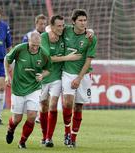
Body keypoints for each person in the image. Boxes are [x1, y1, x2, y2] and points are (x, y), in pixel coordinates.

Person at [39, 15, 82, 147]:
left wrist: (90, 31)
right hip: (43, 77)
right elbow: (48, 59)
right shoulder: (44, 37)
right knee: (43, 106)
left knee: (53, 105)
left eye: (63, 25)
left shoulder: (63, 34)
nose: (61, 28)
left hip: (57, 77)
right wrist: (67, 58)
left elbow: (80, 29)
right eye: (58, 26)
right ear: (51, 27)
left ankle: (49, 138)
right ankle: (44, 135)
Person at [5, 32, 51, 149]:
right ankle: (11, 129)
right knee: (17, 119)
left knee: (32, 116)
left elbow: (48, 69)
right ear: (28, 42)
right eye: (32, 45)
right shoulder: (19, 49)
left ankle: (22, 142)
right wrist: (7, 75)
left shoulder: (44, 53)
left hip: (34, 88)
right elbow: (7, 60)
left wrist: (42, 76)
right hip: (18, 88)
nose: (35, 48)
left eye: (37, 45)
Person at [62, 9, 97, 148]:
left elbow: (88, 60)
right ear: (73, 22)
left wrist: (79, 78)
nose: (83, 23)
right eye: (80, 20)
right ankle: (66, 133)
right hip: (67, 72)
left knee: (78, 106)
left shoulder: (90, 38)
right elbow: (50, 27)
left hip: (84, 74)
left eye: (85, 20)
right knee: (67, 103)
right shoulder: (66, 30)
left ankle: (74, 137)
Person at [22, 14, 48, 123]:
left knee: (43, 94)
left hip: (45, 68)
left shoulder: (48, 35)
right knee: (35, 92)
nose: (43, 26)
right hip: (32, 68)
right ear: (36, 23)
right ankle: (34, 114)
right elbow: (23, 51)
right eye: (41, 24)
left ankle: (39, 115)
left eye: (44, 24)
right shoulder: (29, 35)